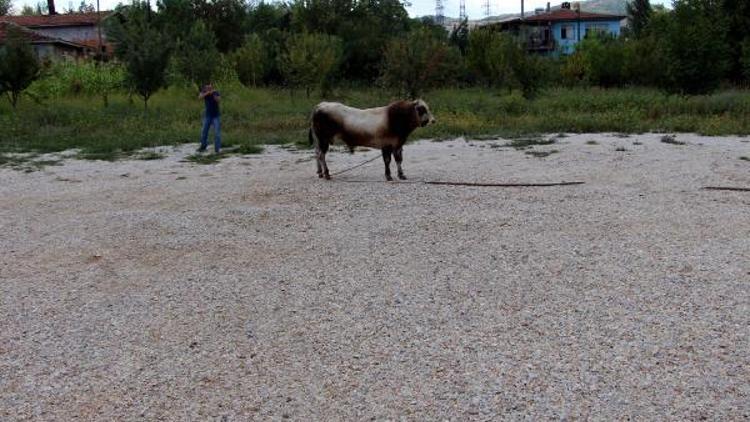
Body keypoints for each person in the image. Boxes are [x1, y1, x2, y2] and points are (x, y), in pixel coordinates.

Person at [197, 83, 221, 153]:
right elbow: (200, 97)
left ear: (212, 86)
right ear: (205, 88)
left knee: (217, 133)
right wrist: (207, 93)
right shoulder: (204, 92)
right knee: (204, 132)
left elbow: (218, 100)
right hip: (208, 116)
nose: (209, 88)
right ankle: (203, 146)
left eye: (210, 87)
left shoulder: (216, 92)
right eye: (207, 87)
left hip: (216, 116)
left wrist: (213, 94)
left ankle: (217, 150)